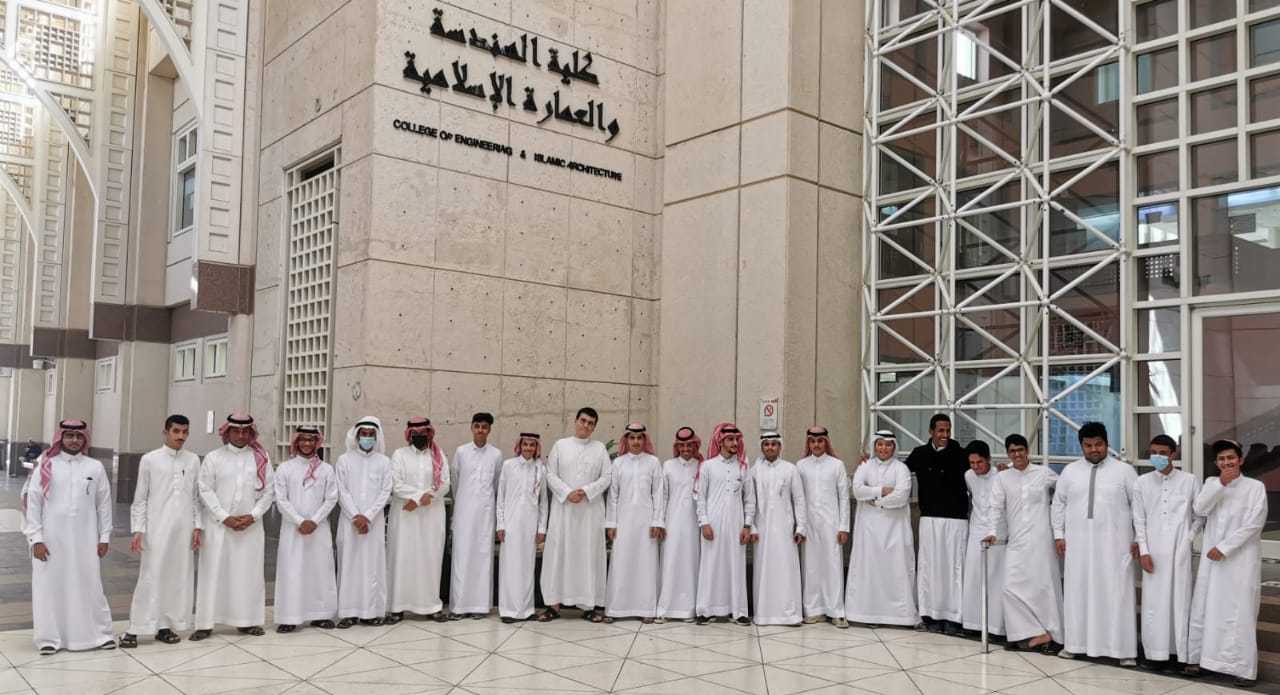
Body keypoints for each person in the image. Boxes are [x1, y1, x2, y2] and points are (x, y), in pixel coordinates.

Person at [24, 419, 114, 655]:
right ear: (60, 438)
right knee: (49, 586)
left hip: (86, 539)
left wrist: (104, 537)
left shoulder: (95, 467)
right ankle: (48, 638)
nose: (74, 440)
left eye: (79, 436)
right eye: (69, 435)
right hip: (51, 539)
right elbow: (33, 503)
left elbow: (104, 504)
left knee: (90, 583)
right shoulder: (46, 465)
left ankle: (100, 634)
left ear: (85, 439)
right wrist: (36, 539)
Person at [1051, 422, 1138, 665]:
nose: (1094, 449)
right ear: (1081, 446)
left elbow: (1139, 507)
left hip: (1115, 546)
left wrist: (1138, 539)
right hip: (1078, 545)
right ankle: (1075, 645)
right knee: (1077, 592)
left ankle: (1123, 651)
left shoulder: (1124, 471)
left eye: (1098, 444)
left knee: (1117, 594)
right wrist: (1058, 535)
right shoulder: (1070, 471)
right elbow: (1058, 504)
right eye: (1088, 445)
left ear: (1107, 443)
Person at [1189, 439, 1268, 687]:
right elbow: (1199, 509)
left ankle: (1242, 669)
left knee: (1239, 611)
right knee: (1207, 608)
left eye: (1231, 458)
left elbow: (1254, 524)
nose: (1227, 463)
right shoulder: (1211, 484)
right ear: (1217, 463)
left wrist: (1224, 548)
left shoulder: (1255, 487)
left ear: (1240, 460)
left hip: (1240, 560)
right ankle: (1203, 661)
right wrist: (1220, 484)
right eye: (1222, 459)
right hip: (1212, 562)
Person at [121, 415, 202, 648]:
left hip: (183, 530)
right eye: (176, 431)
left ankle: (165, 627)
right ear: (165, 432)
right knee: (150, 575)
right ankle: (136, 627)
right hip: (156, 529)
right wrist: (138, 530)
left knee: (177, 577)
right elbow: (140, 498)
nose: (181, 436)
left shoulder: (193, 460)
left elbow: (196, 498)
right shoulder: (150, 459)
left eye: (185, 432)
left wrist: (197, 526)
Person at [192, 413, 274, 640]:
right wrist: (224, 516)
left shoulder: (261, 458)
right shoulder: (213, 457)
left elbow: (269, 491)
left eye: (245, 431)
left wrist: (253, 516)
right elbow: (204, 489)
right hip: (218, 526)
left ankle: (247, 621)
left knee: (247, 574)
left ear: (251, 433)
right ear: (227, 432)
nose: (240, 435)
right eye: (236, 431)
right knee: (213, 573)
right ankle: (205, 623)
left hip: (250, 528)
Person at [982, 434, 1061, 653]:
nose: (1017, 454)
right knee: (1010, 587)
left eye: (1020, 450)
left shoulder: (1043, 473)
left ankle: (1050, 633)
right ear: (1008, 453)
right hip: (1016, 540)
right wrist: (992, 532)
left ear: (1027, 451)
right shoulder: (1002, 478)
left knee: (1043, 586)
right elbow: (995, 507)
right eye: (1012, 451)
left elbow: (1064, 492)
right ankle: (1024, 632)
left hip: (1041, 539)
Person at [1132, 434, 1201, 671]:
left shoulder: (1189, 480)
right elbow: (1139, 520)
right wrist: (1144, 551)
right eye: (1153, 453)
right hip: (1152, 551)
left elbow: (1199, 515)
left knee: (1180, 601)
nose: (1158, 457)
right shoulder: (1141, 483)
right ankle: (1155, 654)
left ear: (1173, 454)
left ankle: (1179, 654)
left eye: (1162, 453)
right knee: (1153, 603)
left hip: (1179, 550)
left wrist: (1187, 539)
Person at [538, 407, 612, 622]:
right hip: (564, 511)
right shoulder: (560, 445)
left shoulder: (599, 449)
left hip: (590, 512)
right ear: (576, 421)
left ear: (594, 427)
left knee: (588, 556)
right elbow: (550, 474)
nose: (586, 426)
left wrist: (586, 491)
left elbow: (607, 476)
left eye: (591, 423)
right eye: (583, 421)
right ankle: (553, 606)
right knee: (559, 555)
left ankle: (589, 606)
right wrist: (567, 492)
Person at [905, 413, 970, 634]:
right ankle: (929, 614)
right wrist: (871, 464)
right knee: (929, 567)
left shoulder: (962, 454)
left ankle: (954, 617)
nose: (945, 435)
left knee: (955, 568)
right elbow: (899, 473)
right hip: (929, 518)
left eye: (948, 430)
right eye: (941, 430)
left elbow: (981, 471)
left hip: (956, 520)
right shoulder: (919, 454)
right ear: (931, 431)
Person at [845, 429, 916, 627]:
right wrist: (882, 490)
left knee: (894, 569)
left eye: (888, 444)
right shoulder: (865, 466)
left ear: (894, 447)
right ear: (875, 446)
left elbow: (901, 495)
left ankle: (898, 616)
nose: (883, 448)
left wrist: (875, 501)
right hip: (868, 530)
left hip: (894, 530)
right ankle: (864, 614)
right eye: (880, 444)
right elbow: (857, 490)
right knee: (869, 568)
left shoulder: (901, 468)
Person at [273, 426, 339, 632]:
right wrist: (300, 520)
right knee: (292, 571)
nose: (307, 443)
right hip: (293, 529)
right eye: (303, 439)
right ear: (296, 441)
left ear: (317, 442)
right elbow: (281, 499)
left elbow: (331, 498)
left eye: (311, 440)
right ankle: (289, 617)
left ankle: (321, 615)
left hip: (319, 529)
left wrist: (314, 521)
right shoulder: (285, 468)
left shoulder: (327, 469)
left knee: (320, 570)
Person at [387, 417, 450, 623]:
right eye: (415, 434)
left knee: (430, 558)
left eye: (423, 433)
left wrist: (426, 497)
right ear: (409, 435)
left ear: (430, 433)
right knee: (403, 557)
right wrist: (417, 497)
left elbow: (445, 483)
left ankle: (431, 606)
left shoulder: (438, 455)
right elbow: (396, 484)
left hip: (431, 515)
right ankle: (398, 607)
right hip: (405, 514)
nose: (420, 436)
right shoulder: (399, 455)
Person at [334, 416, 393, 628]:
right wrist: (356, 516)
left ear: (377, 437)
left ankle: (371, 612)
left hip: (373, 523)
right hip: (349, 522)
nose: (367, 438)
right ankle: (348, 613)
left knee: (372, 566)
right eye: (364, 434)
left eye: (371, 435)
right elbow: (341, 491)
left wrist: (367, 516)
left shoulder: (384, 462)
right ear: (356, 436)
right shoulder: (344, 460)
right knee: (349, 564)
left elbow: (386, 492)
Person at [695, 423, 756, 625]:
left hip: (736, 523)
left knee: (736, 565)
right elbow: (700, 497)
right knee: (710, 564)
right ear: (720, 442)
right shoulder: (708, 466)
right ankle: (705, 610)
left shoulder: (743, 466)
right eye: (730, 440)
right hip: (712, 523)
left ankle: (738, 611)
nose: (735, 443)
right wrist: (704, 522)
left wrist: (747, 525)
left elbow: (750, 499)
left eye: (736, 439)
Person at [605, 423, 664, 622]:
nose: (636, 442)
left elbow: (658, 494)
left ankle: (646, 609)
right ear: (627, 440)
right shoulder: (618, 463)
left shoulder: (653, 462)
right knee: (621, 562)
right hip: (623, 521)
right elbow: (613, 496)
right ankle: (616, 609)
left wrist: (657, 522)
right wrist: (611, 524)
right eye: (632, 438)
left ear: (644, 440)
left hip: (646, 522)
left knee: (645, 564)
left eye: (639, 438)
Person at [449, 412, 503, 619]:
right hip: (463, 513)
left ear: (489, 430)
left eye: (484, 427)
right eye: (477, 426)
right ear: (472, 428)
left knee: (482, 558)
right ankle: (459, 606)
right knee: (462, 557)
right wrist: (464, 502)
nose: (481, 430)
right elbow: (455, 481)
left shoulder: (496, 455)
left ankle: (480, 607)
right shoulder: (461, 452)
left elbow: (496, 485)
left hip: (485, 515)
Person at [750, 431, 806, 626]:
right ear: (762, 447)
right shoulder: (754, 471)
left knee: (785, 569)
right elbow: (750, 501)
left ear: (780, 447)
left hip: (785, 528)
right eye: (766, 444)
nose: (770, 448)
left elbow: (799, 500)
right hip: (762, 530)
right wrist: (752, 527)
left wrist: (801, 527)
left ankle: (789, 615)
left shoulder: (790, 469)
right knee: (764, 570)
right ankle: (764, 614)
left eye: (774, 444)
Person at [795, 426, 849, 628]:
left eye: (820, 441)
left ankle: (836, 611)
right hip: (809, 524)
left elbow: (844, 498)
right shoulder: (801, 466)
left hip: (831, 524)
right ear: (808, 443)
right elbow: (798, 498)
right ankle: (813, 610)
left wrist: (844, 527)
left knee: (833, 565)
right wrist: (800, 526)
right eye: (812, 441)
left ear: (826, 442)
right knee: (810, 565)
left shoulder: (837, 465)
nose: (816, 445)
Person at [495, 433, 547, 622]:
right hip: (510, 525)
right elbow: (500, 497)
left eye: (532, 445)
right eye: (525, 444)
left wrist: (541, 528)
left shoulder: (540, 469)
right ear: (520, 446)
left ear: (536, 447)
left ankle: (527, 610)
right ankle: (508, 611)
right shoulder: (509, 466)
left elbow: (543, 502)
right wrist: (500, 524)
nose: (528, 448)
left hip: (530, 525)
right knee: (510, 566)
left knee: (527, 567)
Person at [655, 427, 702, 623]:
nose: (685, 449)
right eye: (682, 445)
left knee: (690, 564)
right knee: (670, 562)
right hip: (672, 523)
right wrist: (659, 522)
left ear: (695, 446)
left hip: (693, 524)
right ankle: (665, 609)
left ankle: (688, 610)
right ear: (677, 447)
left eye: (689, 445)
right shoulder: (668, 466)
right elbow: (662, 496)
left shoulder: (701, 466)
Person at [960, 440, 1004, 638]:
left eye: (979, 462)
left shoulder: (1000, 476)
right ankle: (972, 623)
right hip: (976, 529)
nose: (976, 467)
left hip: (996, 531)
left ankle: (995, 626)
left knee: (995, 577)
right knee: (973, 575)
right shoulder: (968, 476)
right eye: (972, 463)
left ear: (989, 460)